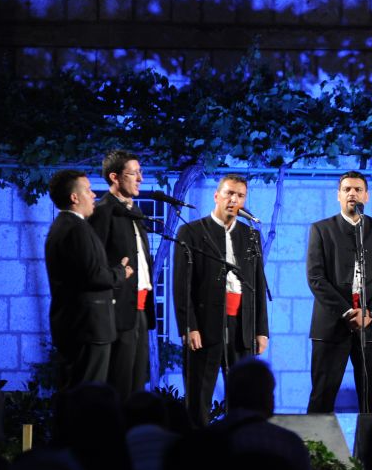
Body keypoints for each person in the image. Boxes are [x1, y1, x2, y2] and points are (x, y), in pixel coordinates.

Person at [173, 174, 269, 426]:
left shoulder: (250, 235)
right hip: (205, 326)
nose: (234, 200)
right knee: (198, 397)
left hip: (242, 326)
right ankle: (199, 445)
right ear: (217, 196)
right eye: (229, 193)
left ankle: (240, 443)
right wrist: (189, 325)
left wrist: (261, 330)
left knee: (244, 397)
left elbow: (258, 285)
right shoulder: (191, 232)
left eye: (240, 196)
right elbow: (182, 285)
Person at [306, 171, 372, 414]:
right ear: (338, 195)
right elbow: (316, 278)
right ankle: (314, 441)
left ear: (366, 196)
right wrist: (347, 312)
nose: (352, 193)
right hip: (331, 327)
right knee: (321, 398)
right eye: (346, 189)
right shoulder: (321, 230)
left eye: (358, 189)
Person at [44, 169, 132, 388]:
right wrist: (120, 273)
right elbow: (92, 275)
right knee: (86, 393)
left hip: (79, 326)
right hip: (88, 327)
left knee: (78, 391)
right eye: (88, 190)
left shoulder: (65, 226)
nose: (93, 195)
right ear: (74, 197)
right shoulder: (75, 229)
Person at [89, 150, 155, 400]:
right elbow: (95, 264)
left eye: (140, 172)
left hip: (140, 308)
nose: (140, 178)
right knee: (120, 384)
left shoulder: (134, 211)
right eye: (133, 173)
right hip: (117, 312)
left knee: (138, 385)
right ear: (114, 177)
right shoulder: (103, 211)